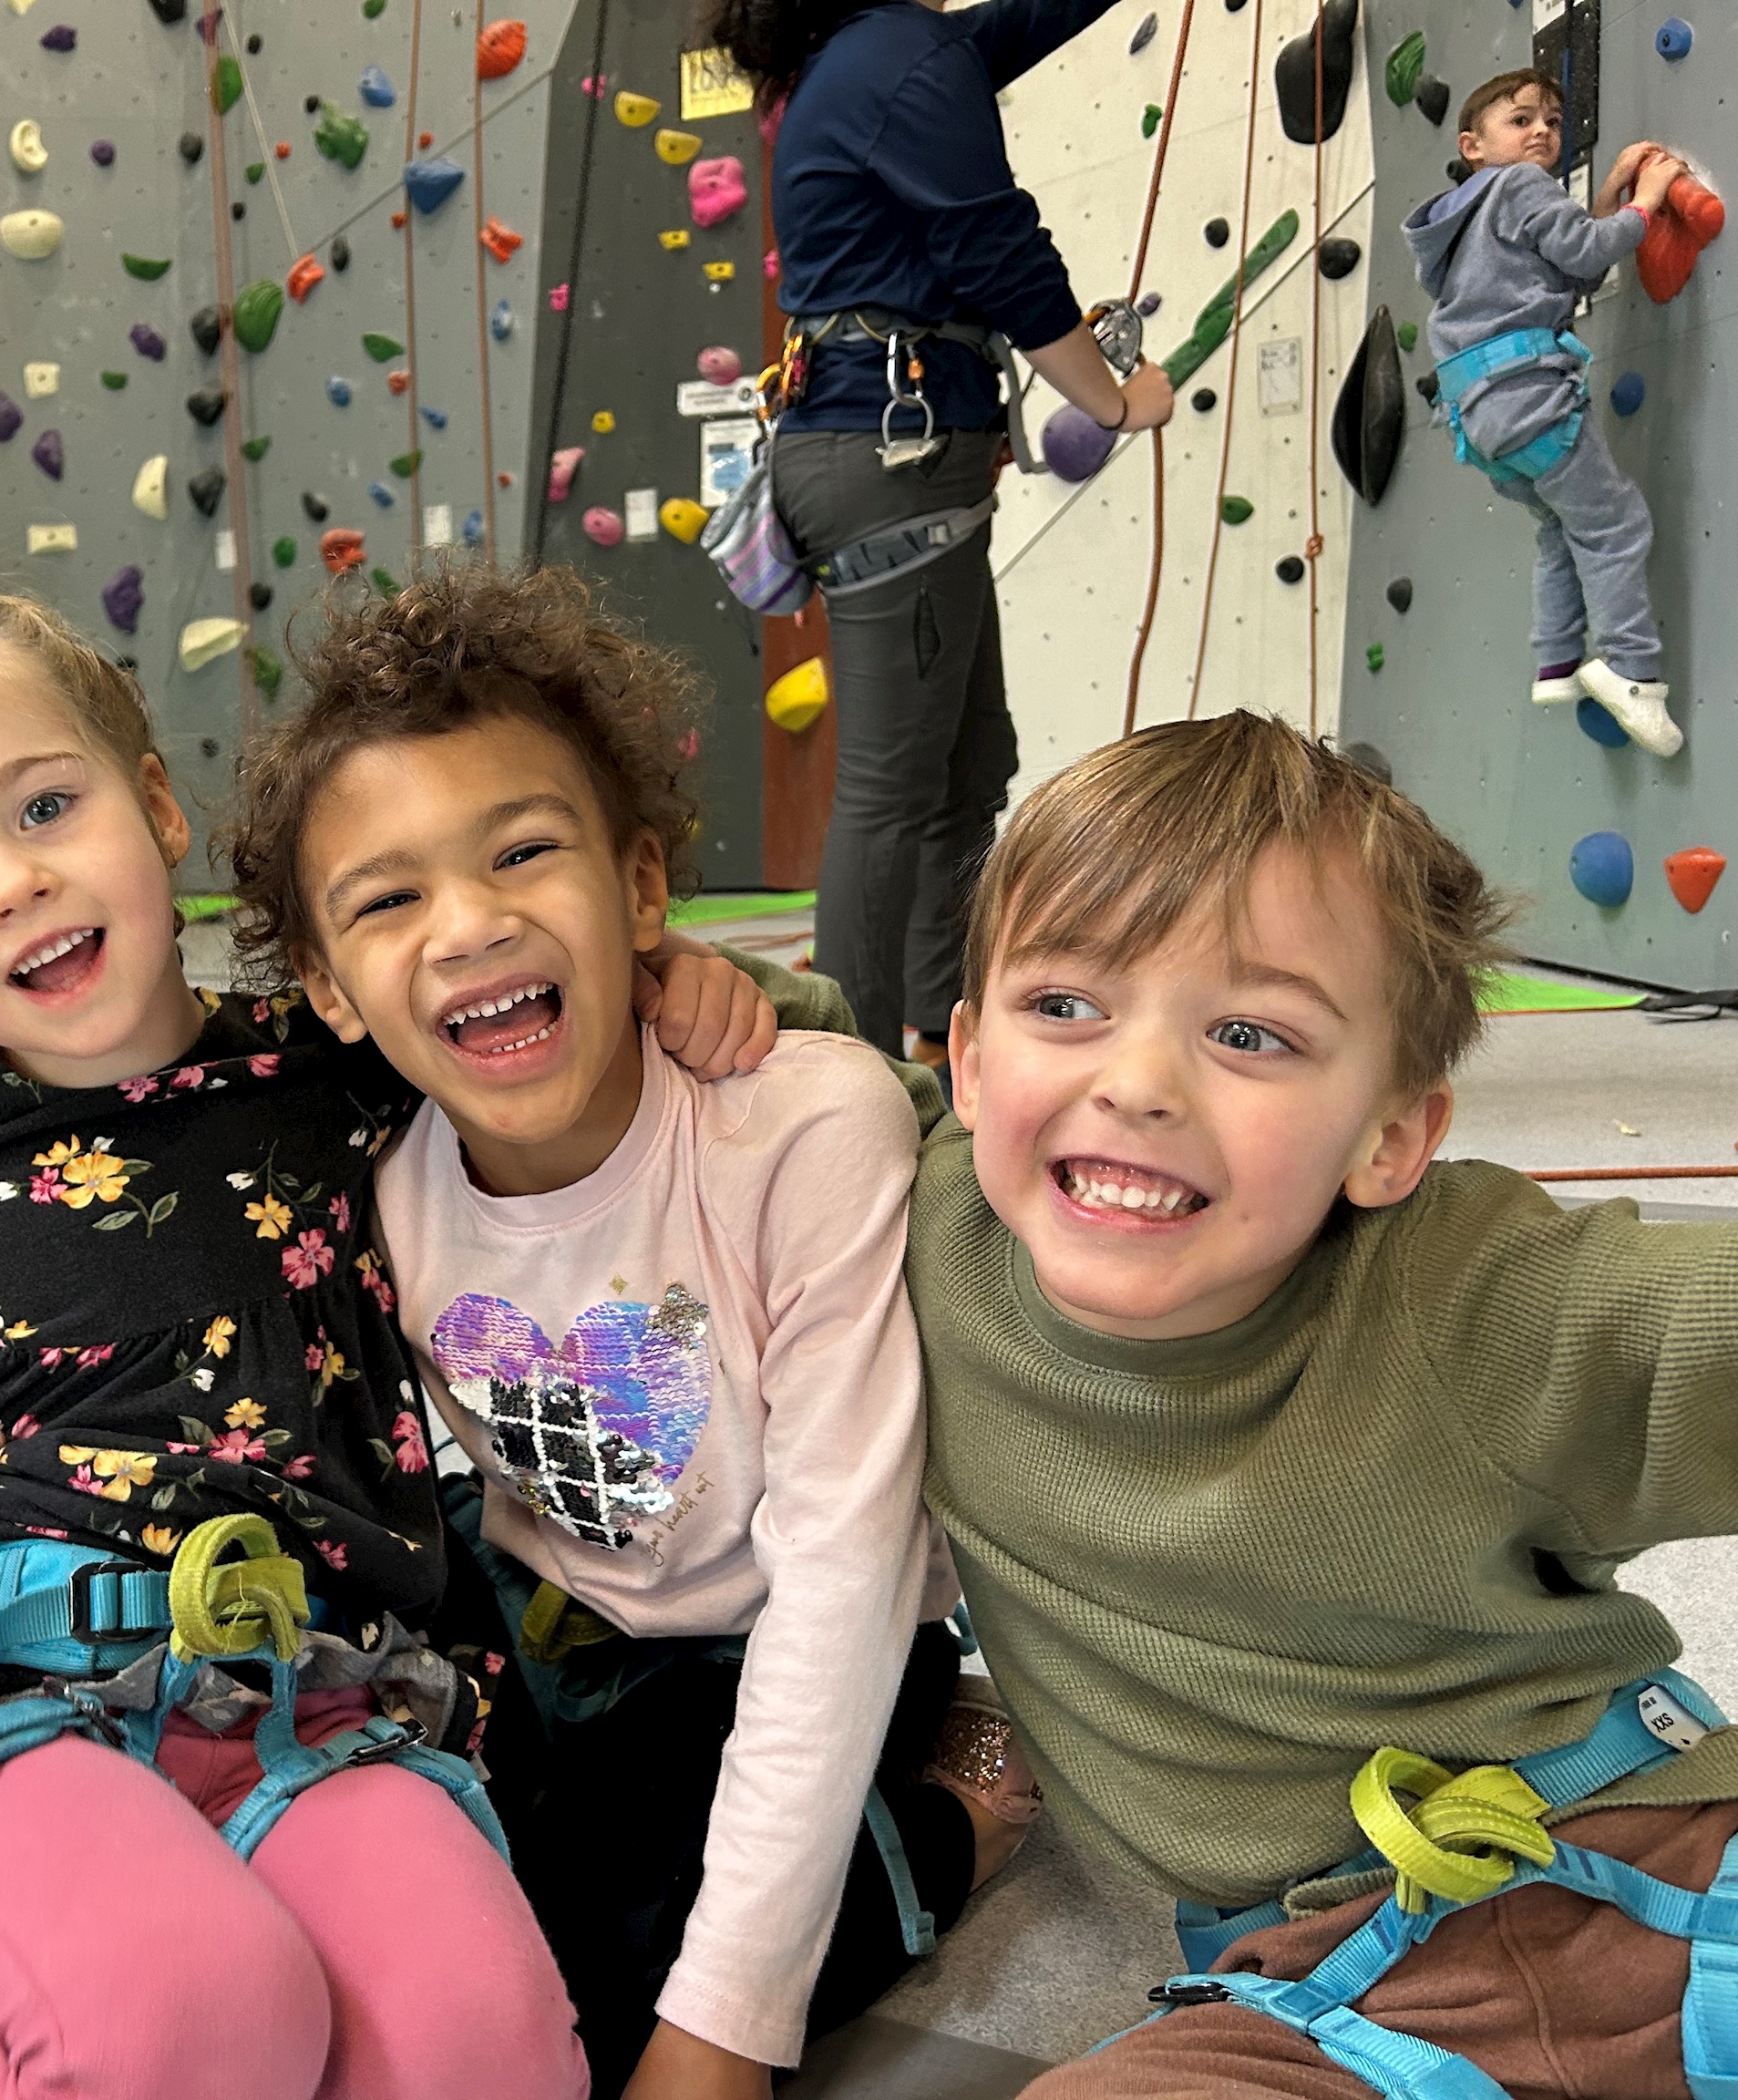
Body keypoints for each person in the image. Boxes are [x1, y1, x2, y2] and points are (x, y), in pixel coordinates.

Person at [0, 591, 787, 2100]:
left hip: (316, 1657)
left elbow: (519, 1020)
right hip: (27, 1653)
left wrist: (680, 984)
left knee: (491, 2039)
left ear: (153, 803)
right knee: (190, 2010)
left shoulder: (333, 1056)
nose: (15, 880)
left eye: (45, 804)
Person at [207, 562, 1036, 2100]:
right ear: (324, 982)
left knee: (645, 1972)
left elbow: (843, 1568)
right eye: (388, 897)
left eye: (523, 848)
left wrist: (721, 2036)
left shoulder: (805, 1123)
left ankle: (962, 1814)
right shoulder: (363, 1190)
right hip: (554, 1640)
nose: (469, 921)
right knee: (438, 1953)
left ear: (641, 889)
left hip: (808, 1632)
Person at [901, 710, 1738, 2095]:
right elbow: (713, 1093)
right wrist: (690, 981)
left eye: (1248, 1032)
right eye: (1067, 1006)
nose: (1136, 1083)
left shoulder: (1467, 1295)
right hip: (1318, 1990)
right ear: (970, 1058)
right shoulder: (908, 1217)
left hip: (1640, 1859)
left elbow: (1687, 1331)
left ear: (1391, 1137)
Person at [714, 0, 1173, 1078]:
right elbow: (998, 248)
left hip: (897, 457)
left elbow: (1026, 20)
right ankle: (846, 1074)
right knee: (891, 787)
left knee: (968, 765)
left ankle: (934, 1030)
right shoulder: (898, 60)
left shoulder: (894, 52)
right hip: (892, 460)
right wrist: (1109, 401)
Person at [1405, 74, 1688, 756]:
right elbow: (1591, 253)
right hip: (1530, 398)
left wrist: (1610, 191)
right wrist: (1647, 202)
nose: (1543, 133)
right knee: (1616, 523)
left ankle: (1557, 661)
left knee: (1561, 526)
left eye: (1554, 123)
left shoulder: (1461, 223)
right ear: (1473, 144)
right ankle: (1630, 671)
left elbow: (1569, 271)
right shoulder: (1525, 187)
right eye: (1521, 119)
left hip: (1478, 420)